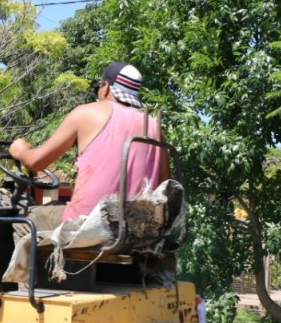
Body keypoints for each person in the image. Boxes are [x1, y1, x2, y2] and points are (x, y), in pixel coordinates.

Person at [9, 62, 169, 232]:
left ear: (106, 87)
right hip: (137, 229)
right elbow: (165, 186)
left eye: (98, 86)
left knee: (18, 220)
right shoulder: (154, 127)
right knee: (54, 206)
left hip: (87, 224)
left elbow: (35, 162)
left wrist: (20, 150)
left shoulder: (88, 113)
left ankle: (19, 260)